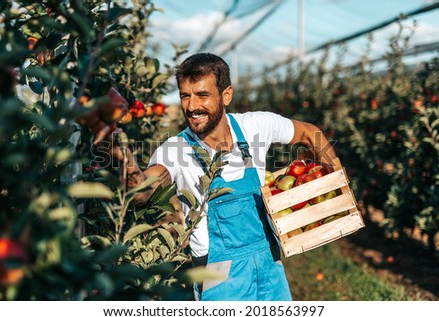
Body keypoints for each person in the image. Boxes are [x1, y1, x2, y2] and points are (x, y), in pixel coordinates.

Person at [102, 53, 337, 301]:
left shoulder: (254, 126)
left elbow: (311, 134)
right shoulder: (176, 150)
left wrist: (335, 180)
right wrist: (120, 151)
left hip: (270, 268)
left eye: (202, 95)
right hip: (220, 282)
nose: (191, 107)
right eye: (185, 96)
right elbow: (142, 192)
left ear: (226, 95)